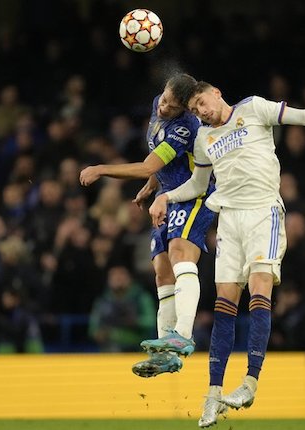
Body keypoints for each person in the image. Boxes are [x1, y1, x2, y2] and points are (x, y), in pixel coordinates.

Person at [148, 80, 305, 427]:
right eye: (194, 110)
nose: (201, 112)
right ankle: (213, 394)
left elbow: (299, 116)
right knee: (224, 305)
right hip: (229, 222)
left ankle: (250, 382)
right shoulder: (205, 139)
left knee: (259, 290)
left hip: (263, 213)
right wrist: (166, 196)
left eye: (202, 103)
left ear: (216, 93)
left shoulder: (253, 109)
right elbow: (197, 184)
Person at [79, 73, 216, 376]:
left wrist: (102, 169)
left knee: (180, 254)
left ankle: (183, 335)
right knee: (161, 270)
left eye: (172, 105)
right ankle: (165, 354)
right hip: (166, 195)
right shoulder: (159, 104)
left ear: (185, 110)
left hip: (194, 194)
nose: (164, 107)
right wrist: (153, 186)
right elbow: (160, 160)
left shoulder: (185, 128)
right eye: (164, 98)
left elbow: (148, 165)